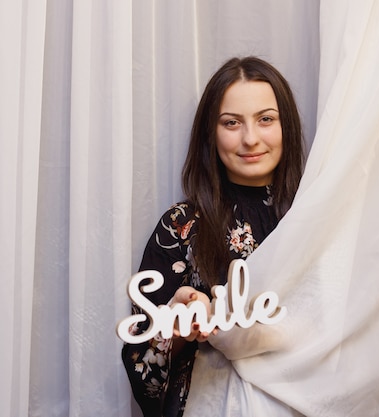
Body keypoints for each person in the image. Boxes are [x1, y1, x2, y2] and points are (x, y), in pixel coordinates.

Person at [122, 56, 305, 417]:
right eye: (231, 123)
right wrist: (173, 327)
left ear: (288, 127)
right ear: (211, 132)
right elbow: (143, 378)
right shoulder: (181, 227)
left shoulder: (314, 219)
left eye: (266, 119)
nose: (250, 138)